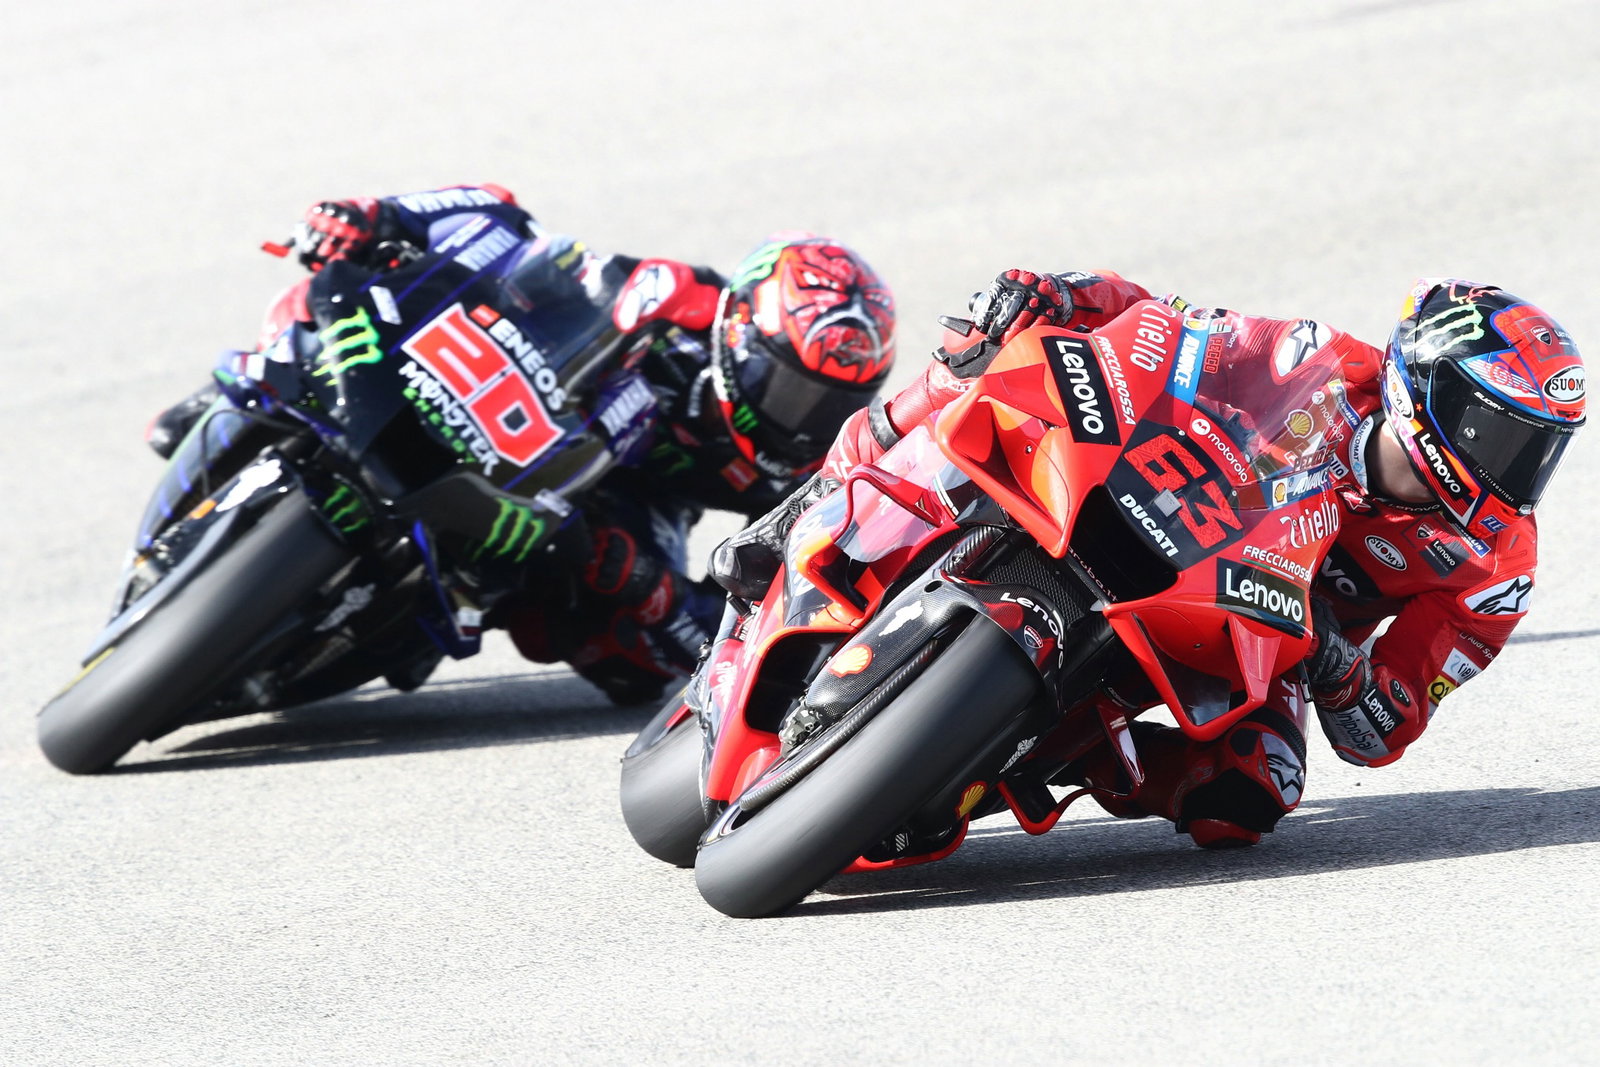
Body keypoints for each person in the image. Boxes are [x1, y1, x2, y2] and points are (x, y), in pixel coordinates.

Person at [712, 268, 1584, 847]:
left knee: (1253, 795)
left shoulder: (1493, 571)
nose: (1518, 471)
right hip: (1162, 505)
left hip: (1266, 628)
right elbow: (1165, 321)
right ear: (1428, 392)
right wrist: (1053, 293)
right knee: (978, 366)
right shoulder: (1316, 357)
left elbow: (1382, 730)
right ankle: (802, 511)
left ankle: (1068, 751)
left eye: (1538, 448)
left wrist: (1334, 653)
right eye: (1501, 434)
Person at [148, 184, 897, 704]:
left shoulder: (804, 465)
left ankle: (420, 605)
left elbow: (781, 605)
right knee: (338, 301)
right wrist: (378, 217)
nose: (804, 416)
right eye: (795, 389)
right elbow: (503, 221)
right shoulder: (672, 293)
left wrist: (660, 590)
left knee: (638, 664)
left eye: (832, 401)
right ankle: (243, 397)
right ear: (741, 334)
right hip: (518, 402)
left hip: (611, 503)